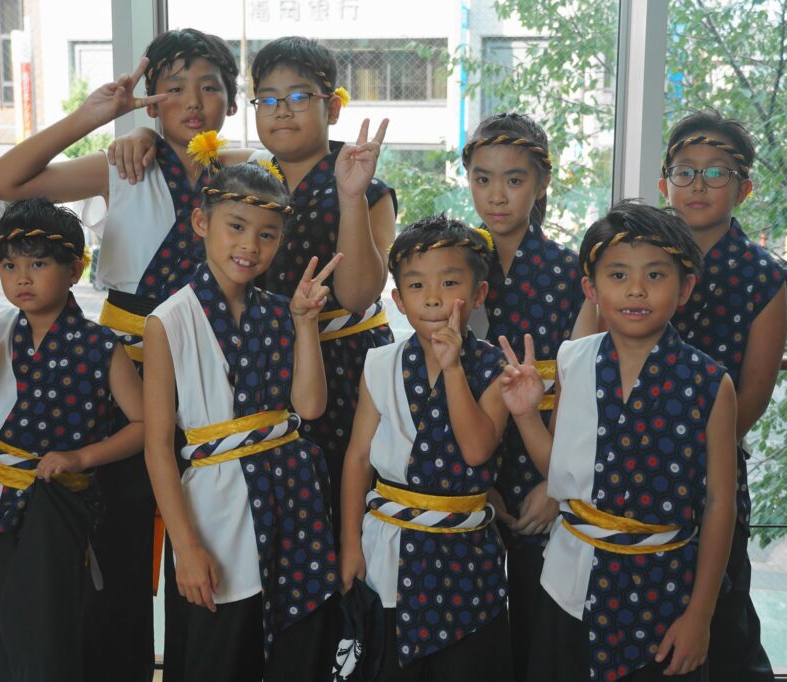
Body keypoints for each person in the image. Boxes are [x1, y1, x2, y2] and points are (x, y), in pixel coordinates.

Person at [0, 28, 250, 679]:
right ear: (151, 100)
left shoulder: (242, 175)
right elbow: (1, 182)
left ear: (232, 101)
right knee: (114, 554)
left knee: (210, 545)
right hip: (120, 383)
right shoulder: (123, 167)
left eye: (210, 87)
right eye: (174, 87)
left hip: (209, 379)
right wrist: (97, 117)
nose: (193, 101)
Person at [113, 36, 398, 537]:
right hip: (262, 369)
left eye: (298, 97)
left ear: (332, 107)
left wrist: (350, 196)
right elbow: (184, 146)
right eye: (267, 99)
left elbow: (357, 296)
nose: (281, 111)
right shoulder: (245, 176)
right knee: (266, 515)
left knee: (343, 513)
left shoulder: (364, 183)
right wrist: (141, 132)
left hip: (343, 367)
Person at [501, 200, 737, 681]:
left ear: (685, 287)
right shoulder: (573, 360)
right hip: (569, 584)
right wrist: (525, 416)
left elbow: (719, 504)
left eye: (655, 275)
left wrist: (700, 615)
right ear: (591, 288)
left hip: (665, 592)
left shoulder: (711, 382)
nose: (635, 289)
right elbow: (560, 472)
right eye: (617, 275)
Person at [143, 163, 340, 682]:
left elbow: (309, 407)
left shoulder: (281, 312)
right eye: (236, 226)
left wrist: (305, 323)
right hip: (215, 514)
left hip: (293, 501)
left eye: (267, 234)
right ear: (201, 222)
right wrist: (186, 548)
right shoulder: (169, 320)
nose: (250, 245)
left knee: (297, 657)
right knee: (218, 655)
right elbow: (158, 448)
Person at [0, 197, 144, 681]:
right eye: (9, 266)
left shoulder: (102, 345)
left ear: (74, 270)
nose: (22, 278)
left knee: (50, 630)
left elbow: (144, 427)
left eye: (38, 264)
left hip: (61, 504)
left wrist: (81, 457)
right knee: (15, 628)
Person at [340, 215, 513, 681]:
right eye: (416, 285)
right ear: (398, 299)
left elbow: (476, 451)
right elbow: (358, 458)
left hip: (466, 552)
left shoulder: (495, 368)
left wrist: (453, 368)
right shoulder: (381, 363)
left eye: (449, 282)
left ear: (478, 294)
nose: (433, 297)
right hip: (389, 546)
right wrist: (350, 544)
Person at [659, 110, 787, 681]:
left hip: (713, 471)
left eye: (716, 172)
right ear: (664, 183)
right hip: (626, 465)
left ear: (744, 187)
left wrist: (694, 457)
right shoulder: (640, 258)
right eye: (685, 171)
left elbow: (754, 394)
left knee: (723, 616)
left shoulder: (763, 276)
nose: (698, 185)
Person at [462, 112, 590, 679]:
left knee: (544, 639)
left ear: (541, 184)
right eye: (482, 178)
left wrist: (556, 487)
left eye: (514, 180)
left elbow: (584, 391)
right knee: (477, 645)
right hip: (472, 478)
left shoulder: (573, 273)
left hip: (546, 473)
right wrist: (469, 483)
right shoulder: (454, 265)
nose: (496, 195)